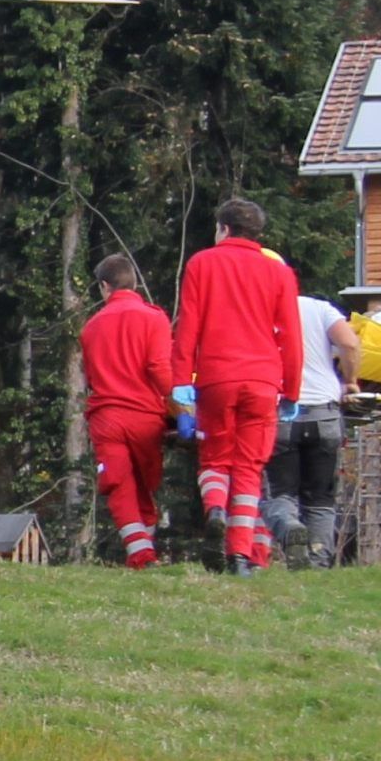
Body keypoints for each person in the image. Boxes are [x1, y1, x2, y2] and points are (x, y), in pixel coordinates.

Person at [170, 197, 303, 575]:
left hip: (216, 378)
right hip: (263, 381)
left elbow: (188, 328)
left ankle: (214, 508)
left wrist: (182, 381)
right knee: (248, 469)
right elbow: (290, 336)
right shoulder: (278, 273)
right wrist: (290, 389)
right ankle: (240, 556)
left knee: (215, 459)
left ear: (223, 228)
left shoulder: (202, 264)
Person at [77, 251, 176, 568]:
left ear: (105, 287)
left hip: (107, 416)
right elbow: (160, 368)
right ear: (132, 283)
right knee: (145, 485)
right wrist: (180, 407)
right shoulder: (154, 317)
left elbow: (91, 376)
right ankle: (143, 552)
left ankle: (140, 552)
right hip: (146, 416)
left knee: (119, 483)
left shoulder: (91, 328)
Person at [265, 284, 361, 567]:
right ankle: (318, 562)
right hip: (325, 414)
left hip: (281, 413)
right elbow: (350, 343)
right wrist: (351, 380)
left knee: (278, 494)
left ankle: (289, 528)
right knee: (320, 497)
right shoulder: (321, 309)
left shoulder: (263, 309)